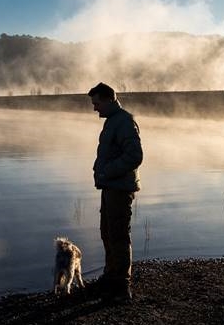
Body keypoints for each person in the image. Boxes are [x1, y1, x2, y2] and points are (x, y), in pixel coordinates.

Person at [88, 82, 143, 304]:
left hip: (119, 188)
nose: (94, 108)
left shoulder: (124, 122)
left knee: (118, 235)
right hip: (110, 186)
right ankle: (110, 277)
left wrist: (107, 172)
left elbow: (135, 156)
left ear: (109, 99)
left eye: (97, 103)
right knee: (107, 232)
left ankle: (122, 287)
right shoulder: (113, 121)